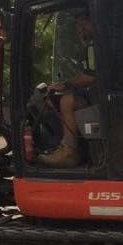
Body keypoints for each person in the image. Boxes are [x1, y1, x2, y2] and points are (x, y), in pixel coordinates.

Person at [38, 13, 95, 168]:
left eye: (84, 23)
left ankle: (69, 150)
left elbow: (90, 77)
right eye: (78, 25)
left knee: (67, 100)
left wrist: (65, 85)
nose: (80, 28)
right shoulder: (91, 44)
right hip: (101, 94)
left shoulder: (94, 45)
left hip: (103, 97)